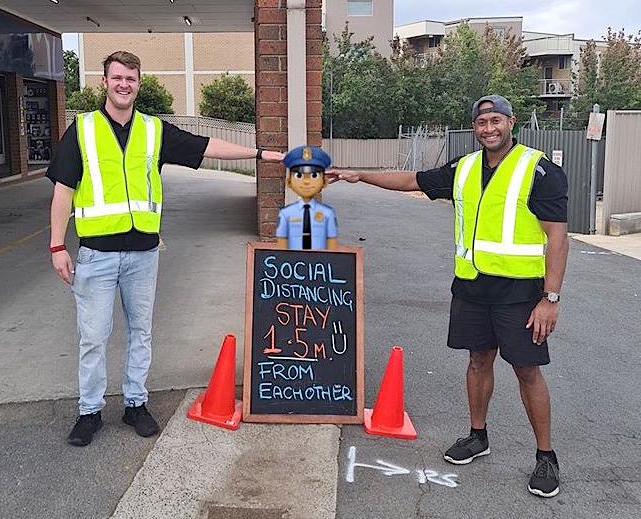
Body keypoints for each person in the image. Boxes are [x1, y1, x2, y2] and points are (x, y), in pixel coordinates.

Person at [334, 95, 569, 498]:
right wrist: (360, 175)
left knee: (527, 371)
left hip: (520, 294)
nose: (488, 128)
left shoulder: (539, 169)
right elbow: (413, 180)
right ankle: (478, 436)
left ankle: (545, 456)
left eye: (496, 120)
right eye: (482, 122)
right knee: (478, 361)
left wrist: (550, 299)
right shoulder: (465, 168)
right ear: (475, 127)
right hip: (472, 287)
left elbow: (558, 238)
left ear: (511, 123)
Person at [47, 51, 284, 447]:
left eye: (131, 79)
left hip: (143, 254)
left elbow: (205, 145)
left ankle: (135, 403)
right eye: (117, 77)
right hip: (96, 255)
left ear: (138, 84)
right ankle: (89, 411)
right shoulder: (82, 130)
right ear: (104, 82)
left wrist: (260, 154)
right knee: (93, 336)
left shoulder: (153, 130)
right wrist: (57, 245)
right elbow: (63, 192)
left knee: (141, 332)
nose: (124, 84)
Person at [277, 145, 338, 250]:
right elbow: (282, 242)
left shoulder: (328, 213)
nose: (306, 182)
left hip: (319, 264)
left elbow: (331, 242)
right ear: (289, 182)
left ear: (324, 182)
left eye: (314, 176)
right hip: (293, 264)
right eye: (299, 176)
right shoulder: (286, 213)